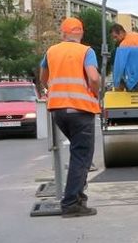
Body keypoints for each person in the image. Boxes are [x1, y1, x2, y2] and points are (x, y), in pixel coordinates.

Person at [39, 17, 102, 218]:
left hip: (58, 110)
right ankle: (71, 203)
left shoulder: (51, 51)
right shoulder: (86, 51)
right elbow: (93, 77)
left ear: (63, 34)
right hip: (81, 110)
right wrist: (95, 92)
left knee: (78, 155)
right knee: (81, 157)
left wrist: (50, 89)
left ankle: (78, 198)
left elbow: (43, 77)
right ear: (80, 34)